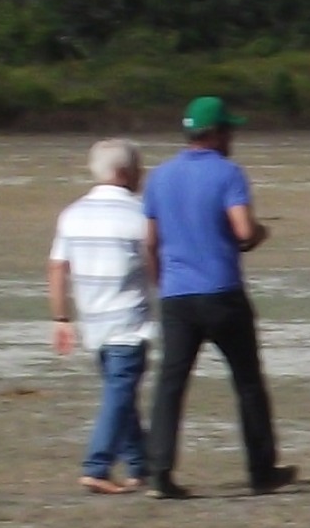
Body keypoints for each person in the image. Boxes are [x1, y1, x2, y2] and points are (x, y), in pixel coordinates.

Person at [140, 95, 293, 499]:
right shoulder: (228, 174)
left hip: (177, 297)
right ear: (217, 134)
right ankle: (261, 469)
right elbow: (242, 231)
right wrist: (260, 234)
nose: (233, 137)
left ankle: (159, 470)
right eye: (230, 130)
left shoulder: (159, 177)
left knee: (170, 385)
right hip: (221, 292)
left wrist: (162, 287)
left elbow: (150, 243)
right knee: (246, 382)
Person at [47, 138, 155, 494]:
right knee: (119, 394)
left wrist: (61, 318)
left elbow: (58, 267)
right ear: (126, 173)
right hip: (128, 320)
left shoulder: (72, 213)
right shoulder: (140, 214)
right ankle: (97, 465)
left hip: (92, 321)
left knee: (120, 394)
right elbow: (157, 264)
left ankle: (142, 466)